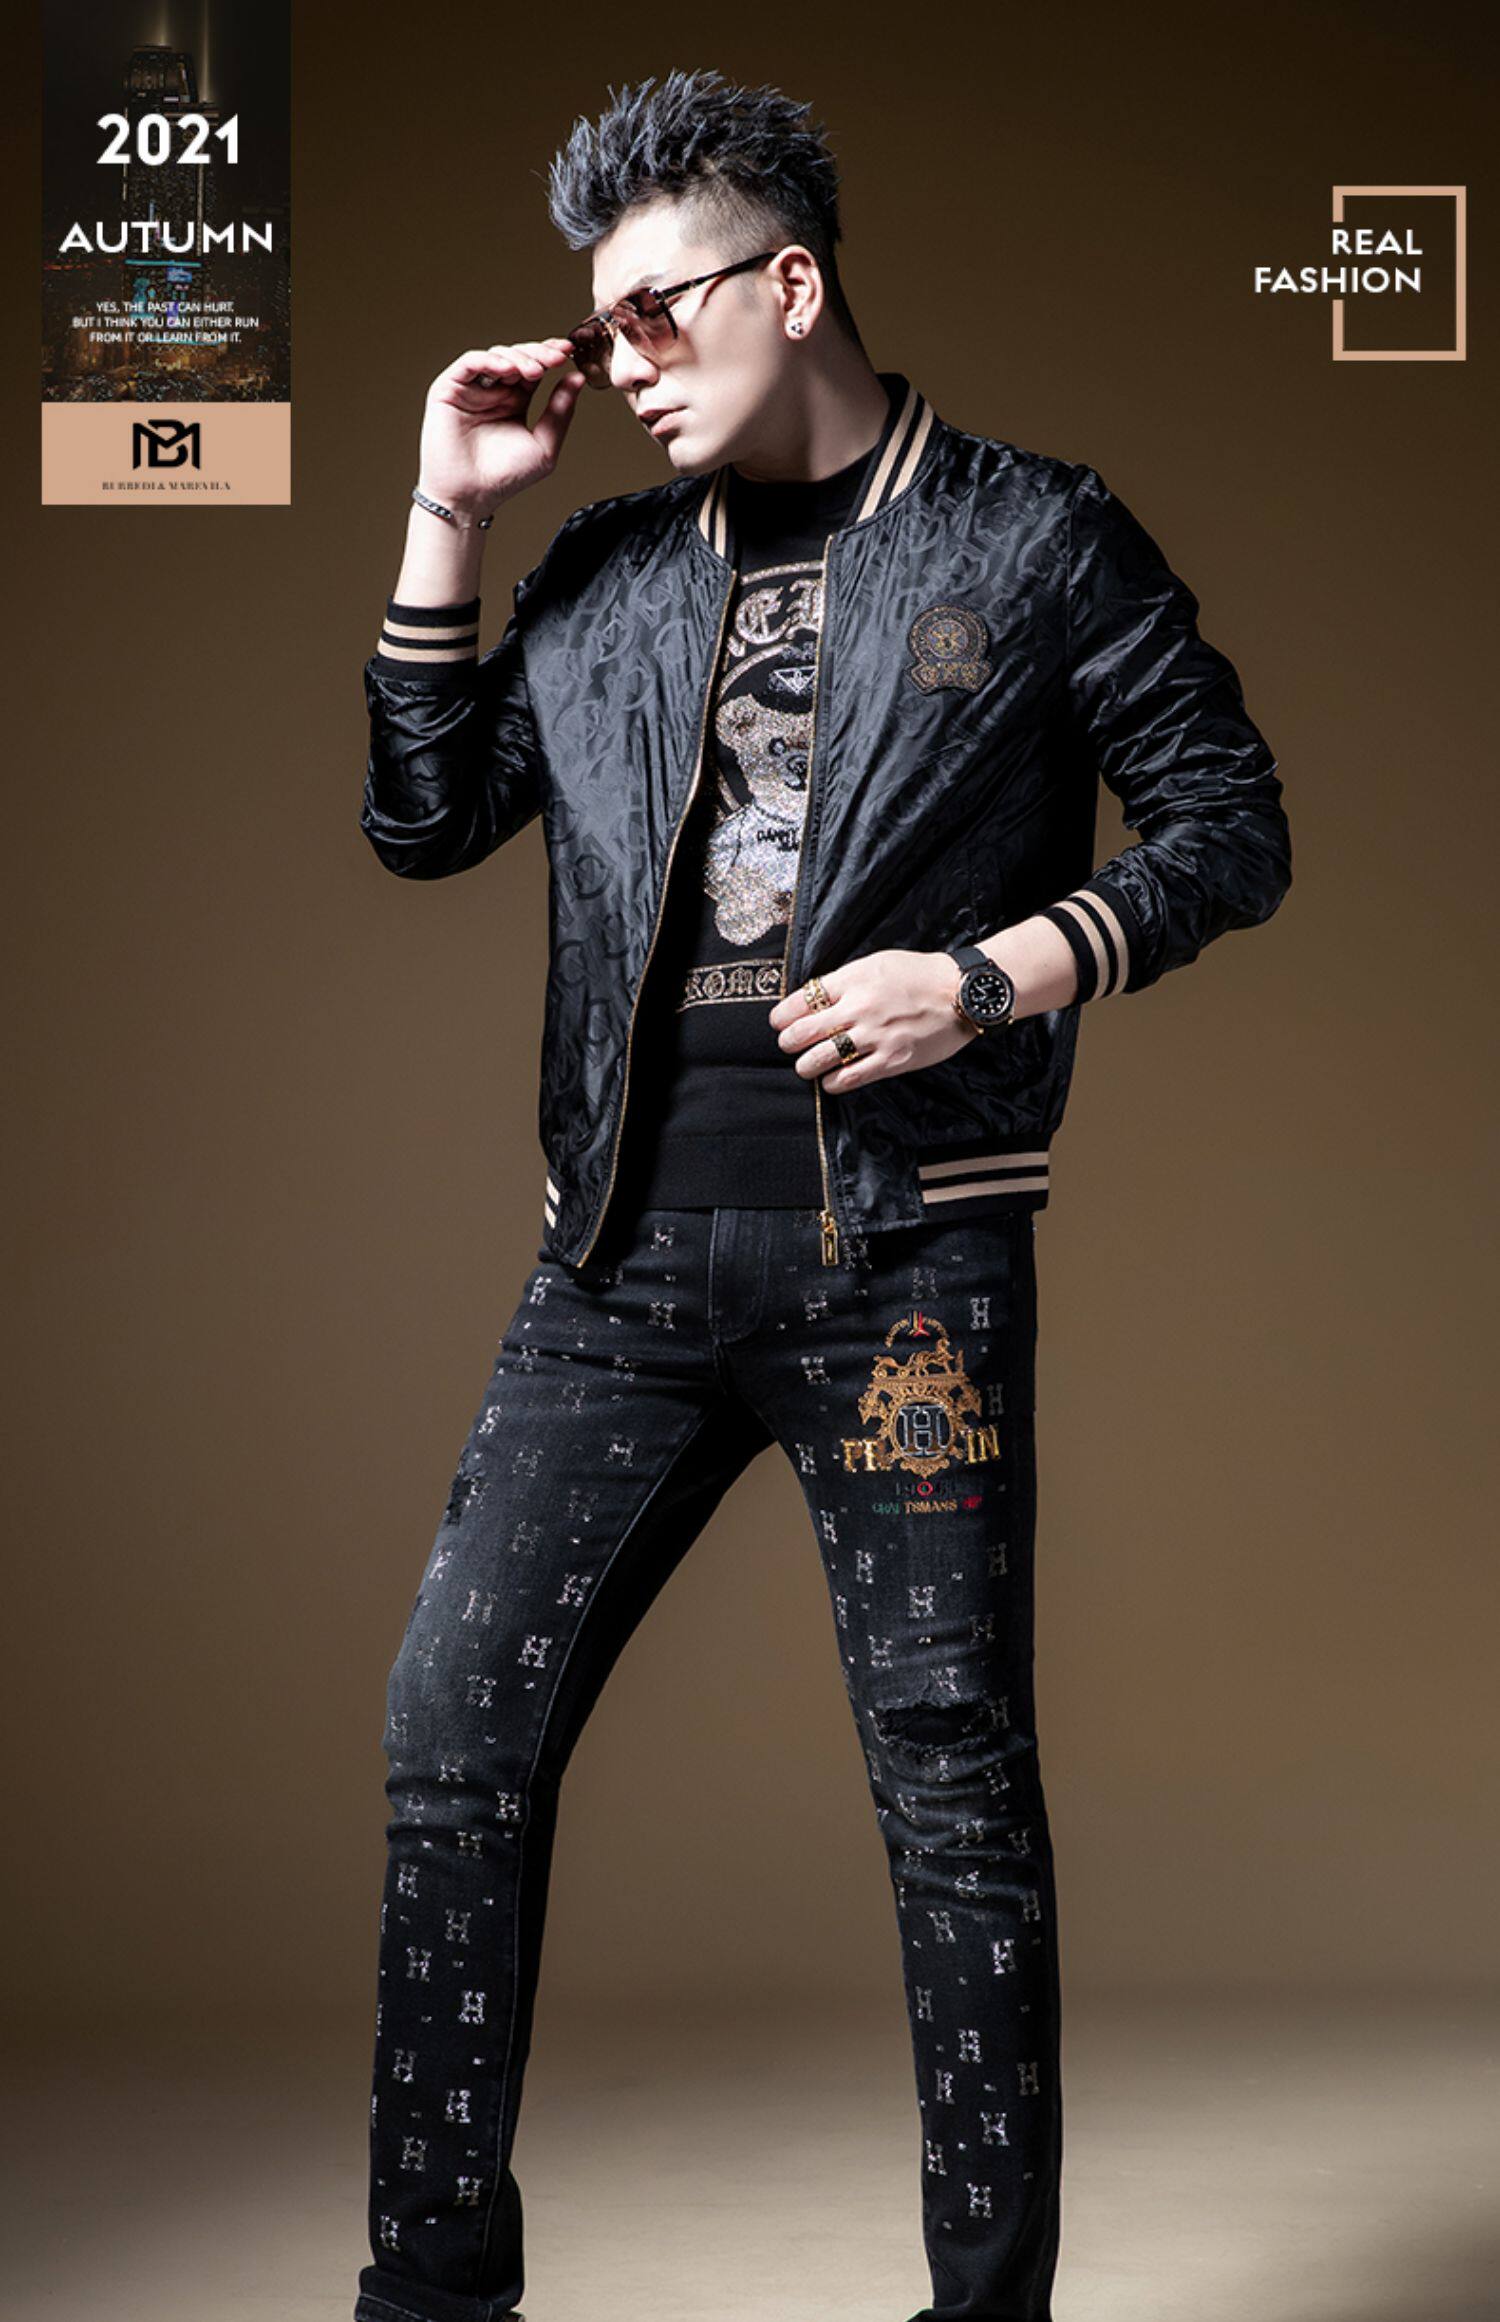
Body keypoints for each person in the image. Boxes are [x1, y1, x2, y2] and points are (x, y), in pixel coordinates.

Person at [352, 67, 1292, 2322]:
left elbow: (1232, 826)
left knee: (951, 1789)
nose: (621, 361)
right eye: (598, 326)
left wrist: (990, 973)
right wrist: (446, 514)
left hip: (909, 1260)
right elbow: (420, 819)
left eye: (656, 312)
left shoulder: (1033, 535)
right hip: (613, 1263)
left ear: (791, 285)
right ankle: (428, 2299)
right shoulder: (604, 571)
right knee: (451, 1740)